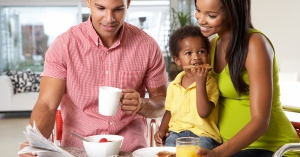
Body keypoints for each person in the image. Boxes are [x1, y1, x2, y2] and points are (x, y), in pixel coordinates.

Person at [19, 0, 168, 156]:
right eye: (101, 8)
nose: (109, 18)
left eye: (118, 9)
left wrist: (141, 104)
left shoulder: (147, 46)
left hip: (131, 150)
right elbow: (48, 104)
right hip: (77, 149)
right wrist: (34, 143)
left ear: (128, 3)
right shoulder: (64, 45)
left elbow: (162, 102)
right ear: (88, 1)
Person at [194, 0, 300, 157]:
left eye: (211, 15)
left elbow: (260, 122)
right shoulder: (211, 46)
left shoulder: (255, 44)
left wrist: (219, 153)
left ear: (232, 14)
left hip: (272, 148)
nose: (201, 19)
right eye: (198, 10)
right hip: (230, 149)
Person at [154, 25, 221, 150]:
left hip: (204, 136)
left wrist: (200, 83)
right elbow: (169, 112)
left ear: (208, 54)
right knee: (167, 148)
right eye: (188, 53)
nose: (196, 57)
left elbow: (204, 112)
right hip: (176, 134)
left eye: (201, 51)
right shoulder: (174, 85)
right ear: (177, 60)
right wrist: (162, 131)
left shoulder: (210, 82)